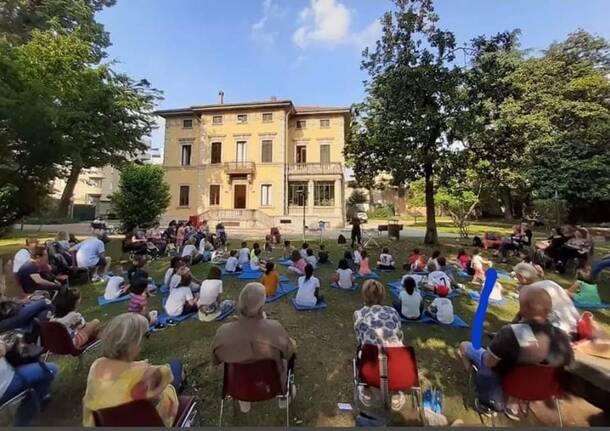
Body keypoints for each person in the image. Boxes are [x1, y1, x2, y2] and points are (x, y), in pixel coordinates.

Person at [458, 287, 573, 419]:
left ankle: (487, 400)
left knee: (465, 346)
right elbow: (567, 365)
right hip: (543, 392)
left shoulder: (511, 332)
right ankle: (513, 404)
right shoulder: (562, 337)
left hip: (511, 386)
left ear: (524, 308)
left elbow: (489, 362)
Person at [82, 313, 184, 426]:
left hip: (104, 423)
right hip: (149, 422)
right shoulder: (145, 373)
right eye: (144, 336)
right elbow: (166, 374)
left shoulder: (96, 365)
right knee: (175, 367)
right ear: (134, 342)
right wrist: (143, 366)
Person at [211, 283, 296, 413]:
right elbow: (289, 354)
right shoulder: (275, 328)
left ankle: (244, 401)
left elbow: (215, 360)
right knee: (287, 354)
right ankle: (285, 396)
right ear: (261, 307)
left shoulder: (223, 332)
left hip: (237, 387)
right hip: (272, 387)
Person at [353, 279, 406, 410]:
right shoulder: (393, 312)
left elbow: (359, 338)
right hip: (397, 363)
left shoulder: (359, 314)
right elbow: (399, 334)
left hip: (370, 363)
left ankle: (365, 386)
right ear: (382, 295)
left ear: (364, 295)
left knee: (361, 348)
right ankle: (396, 389)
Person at [0, 339, 60, 426]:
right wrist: (3, 345)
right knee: (51, 370)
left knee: (36, 363)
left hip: (9, 375)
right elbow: (1, 350)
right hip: (6, 383)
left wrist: (12, 345)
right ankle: (22, 422)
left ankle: (37, 403)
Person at [512, 262, 580, 339]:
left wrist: (511, 328)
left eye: (517, 277)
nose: (517, 281)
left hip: (558, 332)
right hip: (575, 327)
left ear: (522, 277)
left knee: (518, 332)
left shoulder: (531, 290)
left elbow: (525, 317)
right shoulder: (550, 283)